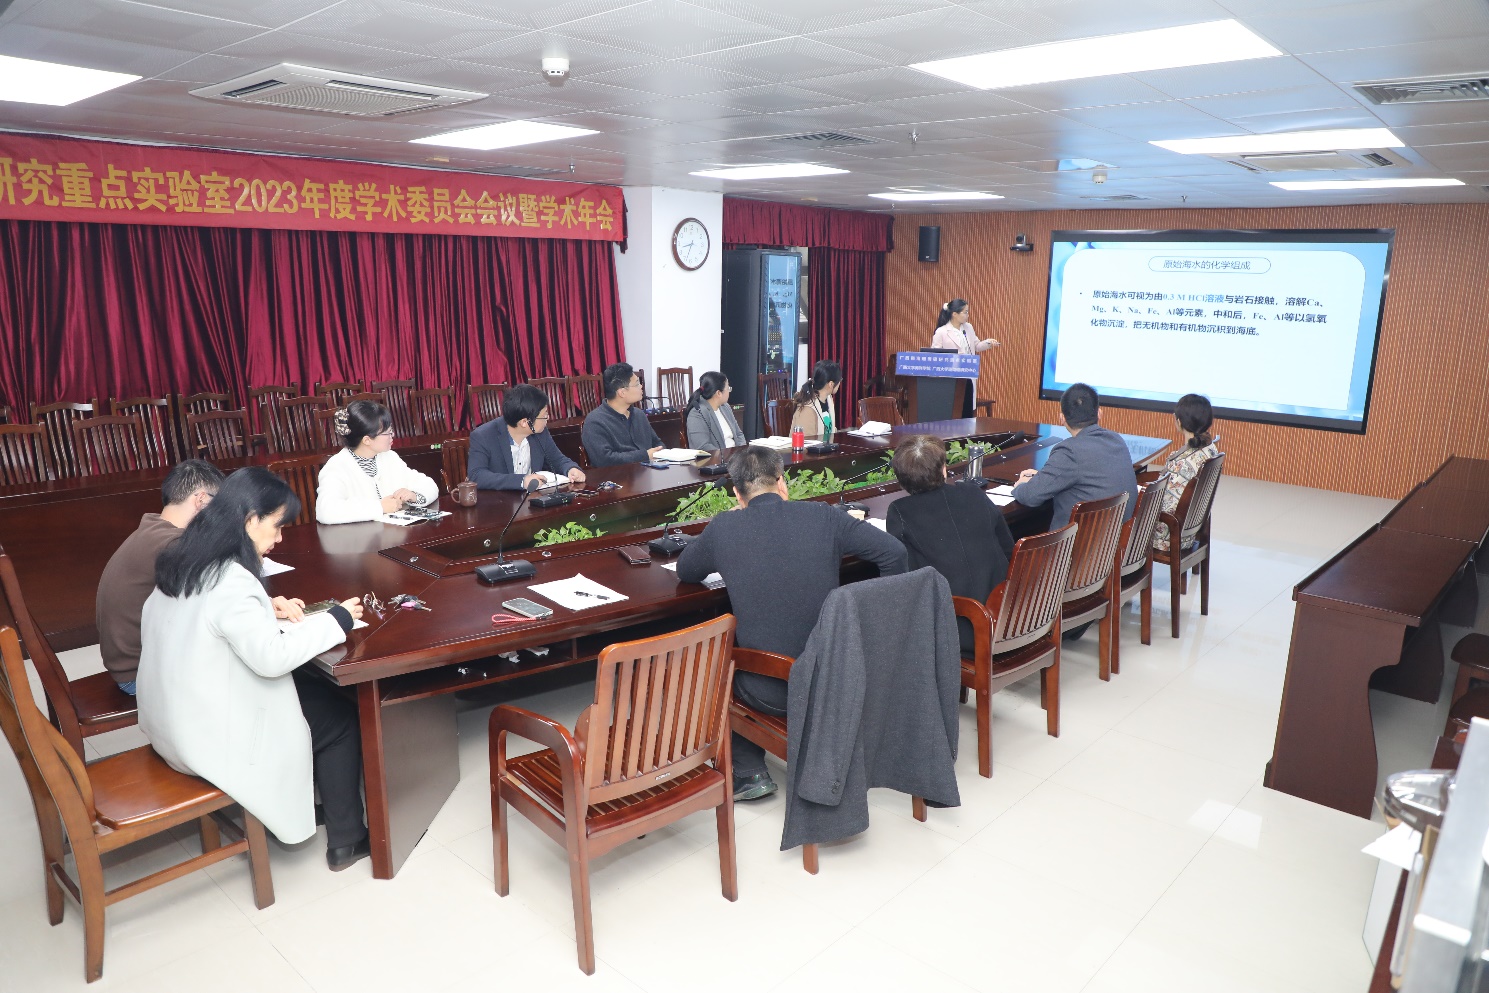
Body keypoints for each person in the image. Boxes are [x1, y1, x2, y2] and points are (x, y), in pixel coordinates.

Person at [138, 468, 371, 871]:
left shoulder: (182, 559)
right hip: (206, 738)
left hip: (169, 721)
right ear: (250, 521)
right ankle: (347, 840)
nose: (279, 538)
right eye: (277, 526)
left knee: (308, 695)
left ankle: (303, 799)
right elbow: (271, 658)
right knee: (339, 719)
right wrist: (336, 621)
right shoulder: (231, 580)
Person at [676, 446, 907, 801]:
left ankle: (748, 772)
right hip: (835, 678)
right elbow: (894, 553)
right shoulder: (823, 516)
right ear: (782, 482)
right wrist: (875, 619)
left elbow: (686, 570)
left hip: (772, 692)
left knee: (720, 658)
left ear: (736, 493)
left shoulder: (725, 526)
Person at [95, 459, 224, 695]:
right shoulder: (173, 545)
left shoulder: (152, 529)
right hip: (139, 675)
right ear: (201, 499)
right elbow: (216, 602)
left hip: (126, 665)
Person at [885, 435, 1015, 655]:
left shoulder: (900, 511)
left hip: (956, 631)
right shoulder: (973, 493)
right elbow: (1009, 550)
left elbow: (904, 580)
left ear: (901, 479)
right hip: (1007, 619)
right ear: (943, 469)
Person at [1011, 382, 1138, 530]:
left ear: (1062, 418)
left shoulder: (1069, 451)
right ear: (1099, 413)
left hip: (1079, 543)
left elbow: (1030, 496)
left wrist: (1021, 485)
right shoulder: (1116, 440)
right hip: (1117, 539)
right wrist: (1043, 477)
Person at [316, 400, 439, 524]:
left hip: (393, 532)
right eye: (387, 433)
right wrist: (379, 507)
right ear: (367, 440)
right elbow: (326, 511)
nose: (392, 435)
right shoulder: (336, 467)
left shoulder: (390, 457)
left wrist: (414, 495)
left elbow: (429, 485)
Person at [468, 384, 586, 490]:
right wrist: (521, 481)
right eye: (544, 415)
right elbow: (476, 475)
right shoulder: (483, 436)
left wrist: (571, 469)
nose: (547, 418)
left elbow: (557, 459)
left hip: (533, 500)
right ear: (524, 422)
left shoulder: (540, 432)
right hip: (500, 503)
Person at [1153, 393, 1221, 552]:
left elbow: (1165, 506)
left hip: (1170, 537)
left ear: (1179, 422)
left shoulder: (1182, 463)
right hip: (1192, 529)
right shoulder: (1211, 448)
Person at [581, 362, 664, 467]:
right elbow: (604, 460)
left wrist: (661, 452)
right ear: (622, 392)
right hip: (617, 476)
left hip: (647, 473)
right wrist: (645, 455)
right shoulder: (595, 422)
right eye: (637, 384)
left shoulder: (639, 415)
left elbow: (657, 443)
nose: (641, 386)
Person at [931, 299, 999, 418]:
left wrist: (988, 343)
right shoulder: (942, 332)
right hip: (951, 378)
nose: (968, 315)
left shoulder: (968, 328)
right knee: (954, 411)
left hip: (968, 375)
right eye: (965, 312)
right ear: (954, 314)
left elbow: (976, 346)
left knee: (967, 411)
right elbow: (935, 356)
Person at [684, 371, 747, 452]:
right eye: (728, 388)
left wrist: (742, 452)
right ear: (718, 393)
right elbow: (702, 446)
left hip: (736, 456)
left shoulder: (725, 407)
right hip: (717, 458)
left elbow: (739, 434)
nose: (729, 391)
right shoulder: (697, 413)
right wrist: (724, 455)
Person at [789, 360, 841, 440]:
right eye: (839, 380)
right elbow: (805, 442)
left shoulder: (828, 399)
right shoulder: (807, 409)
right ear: (831, 384)